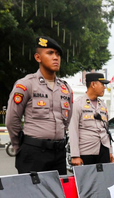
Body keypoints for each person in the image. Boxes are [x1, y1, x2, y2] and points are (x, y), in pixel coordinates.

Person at [5, 36, 72, 175]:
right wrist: (20, 147)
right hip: (33, 152)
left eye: (58, 54)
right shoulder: (26, 84)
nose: (56, 58)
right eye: (50, 53)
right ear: (38, 57)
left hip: (59, 153)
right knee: (32, 195)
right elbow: (12, 120)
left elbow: (67, 120)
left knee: (58, 195)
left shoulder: (66, 88)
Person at [69, 73, 113, 166]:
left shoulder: (103, 105)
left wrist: (110, 151)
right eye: (102, 84)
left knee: (104, 179)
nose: (104, 88)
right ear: (93, 84)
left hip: (103, 149)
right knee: (87, 180)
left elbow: (106, 130)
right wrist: (75, 155)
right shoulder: (78, 103)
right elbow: (73, 131)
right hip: (86, 151)